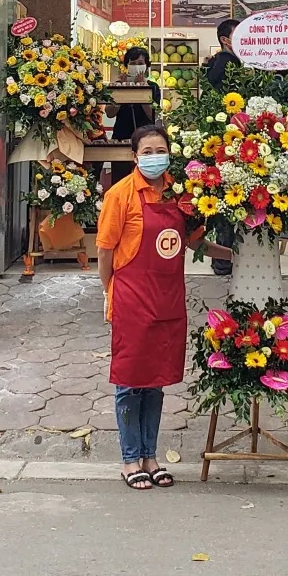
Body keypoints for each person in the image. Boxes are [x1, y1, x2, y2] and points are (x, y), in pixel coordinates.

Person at [96, 122, 231, 490]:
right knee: (129, 381)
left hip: (168, 298)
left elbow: (193, 242)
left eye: (161, 151)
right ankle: (130, 459)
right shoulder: (120, 195)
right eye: (147, 152)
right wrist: (110, 290)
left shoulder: (181, 195)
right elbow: (105, 251)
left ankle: (150, 456)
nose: (154, 157)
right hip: (131, 298)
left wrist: (236, 255)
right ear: (134, 156)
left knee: (155, 381)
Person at [203, 18, 241, 275]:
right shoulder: (228, 63)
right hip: (227, 137)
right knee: (228, 197)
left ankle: (222, 258)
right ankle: (223, 259)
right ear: (226, 40)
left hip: (223, 135)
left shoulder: (221, 61)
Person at [107, 46, 161, 183]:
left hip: (145, 139)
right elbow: (109, 113)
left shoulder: (153, 87)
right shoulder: (118, 85)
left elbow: (152, 115)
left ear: (146, 66)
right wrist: (121, 90)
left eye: (140, 63)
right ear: (126, 65)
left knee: (145, 180)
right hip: (121, 136)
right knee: (120, 180)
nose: (137, 66)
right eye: (133, 63)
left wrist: (143, 90)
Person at [204, 17, 241, 91]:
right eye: (237, 35)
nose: (243, 39)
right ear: (224, 40)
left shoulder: (218, 58)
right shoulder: (227, 61)